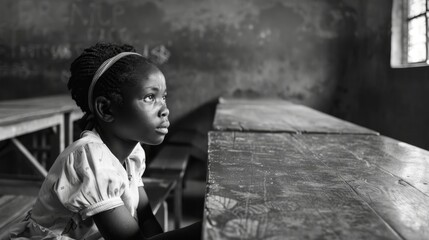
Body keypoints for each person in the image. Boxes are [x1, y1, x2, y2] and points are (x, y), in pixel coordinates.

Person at [4, 43, 201, 240]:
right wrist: (203, 230)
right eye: (150, 97)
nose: (164, 109)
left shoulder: (133, 153)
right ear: (106, 109)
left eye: (163, 97)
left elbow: (146, 218)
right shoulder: (90, 159)